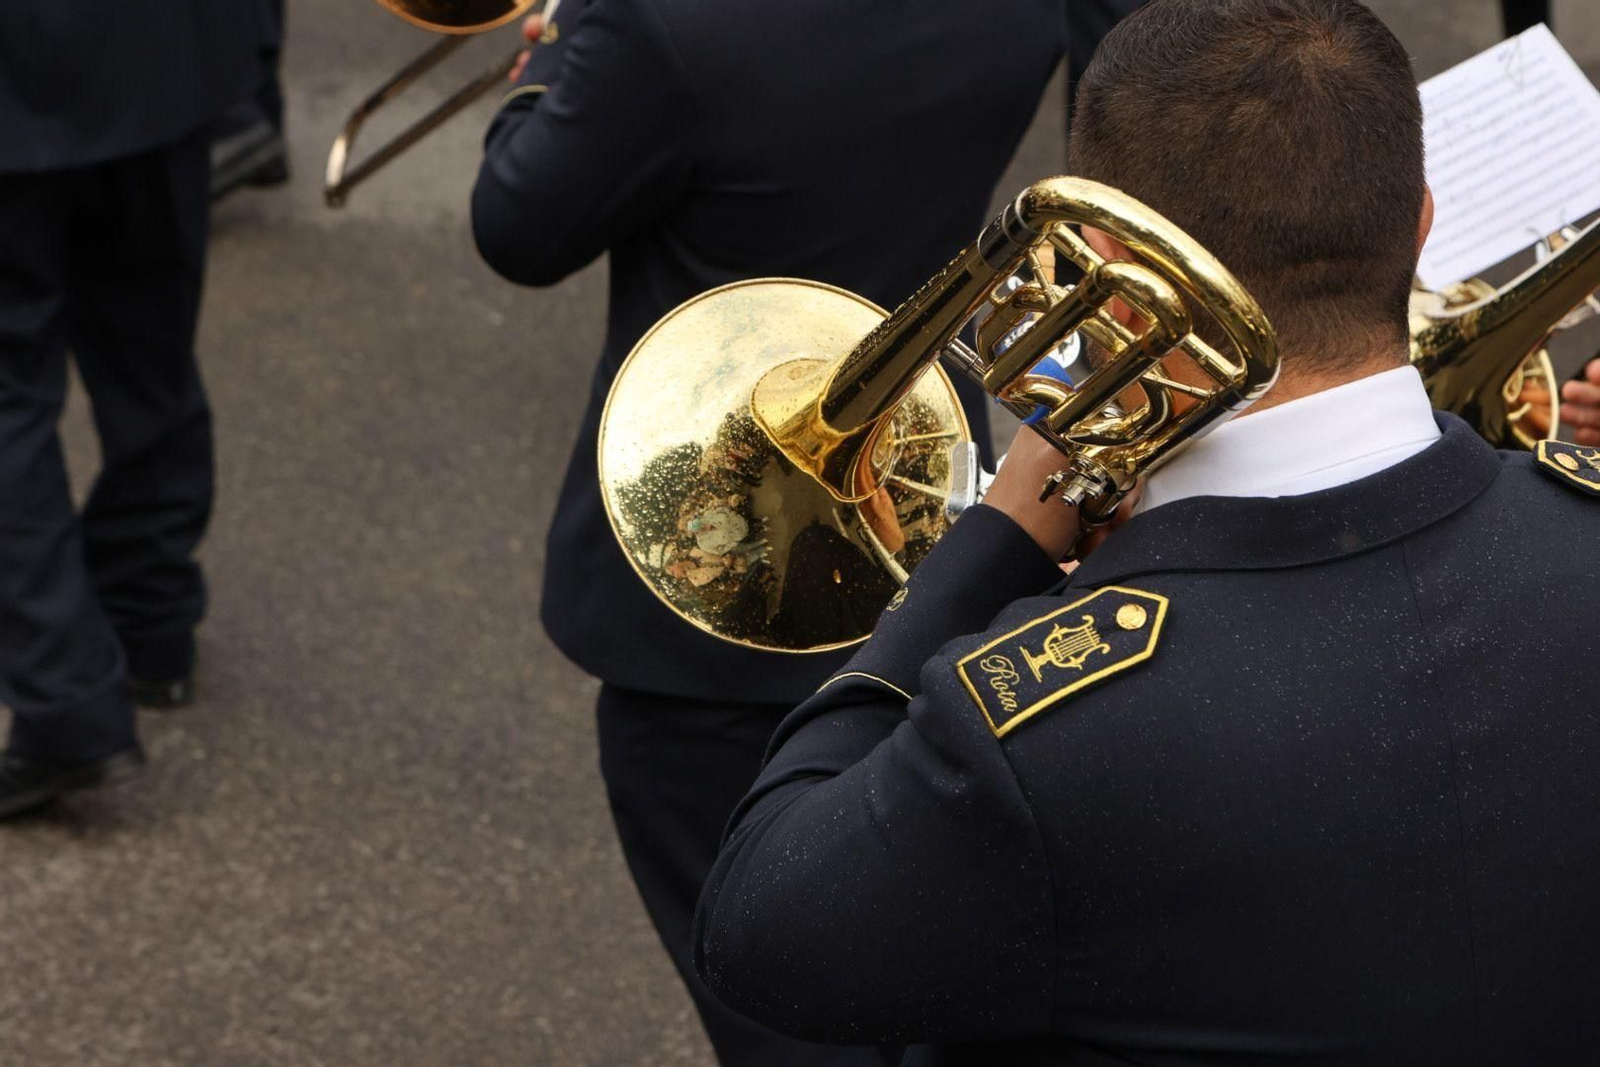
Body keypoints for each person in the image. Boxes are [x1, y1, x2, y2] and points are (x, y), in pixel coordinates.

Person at [693, 2, 1600, 1063]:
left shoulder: (1037, 730)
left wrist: (986, 552)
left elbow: (761, 926)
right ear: (1421, 225)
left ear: (1101, 279)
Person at [470, 1, 1078, 1061]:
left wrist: (555, 58)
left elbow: (519, 223)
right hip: (925, 512)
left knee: (771, 992)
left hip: (708, 574)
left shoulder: (656, 24)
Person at [0, 2, 269, 818]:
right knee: (147, 346)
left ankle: (67, 703)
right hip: (159, 47)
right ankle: (148, 617)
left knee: (10, 391)